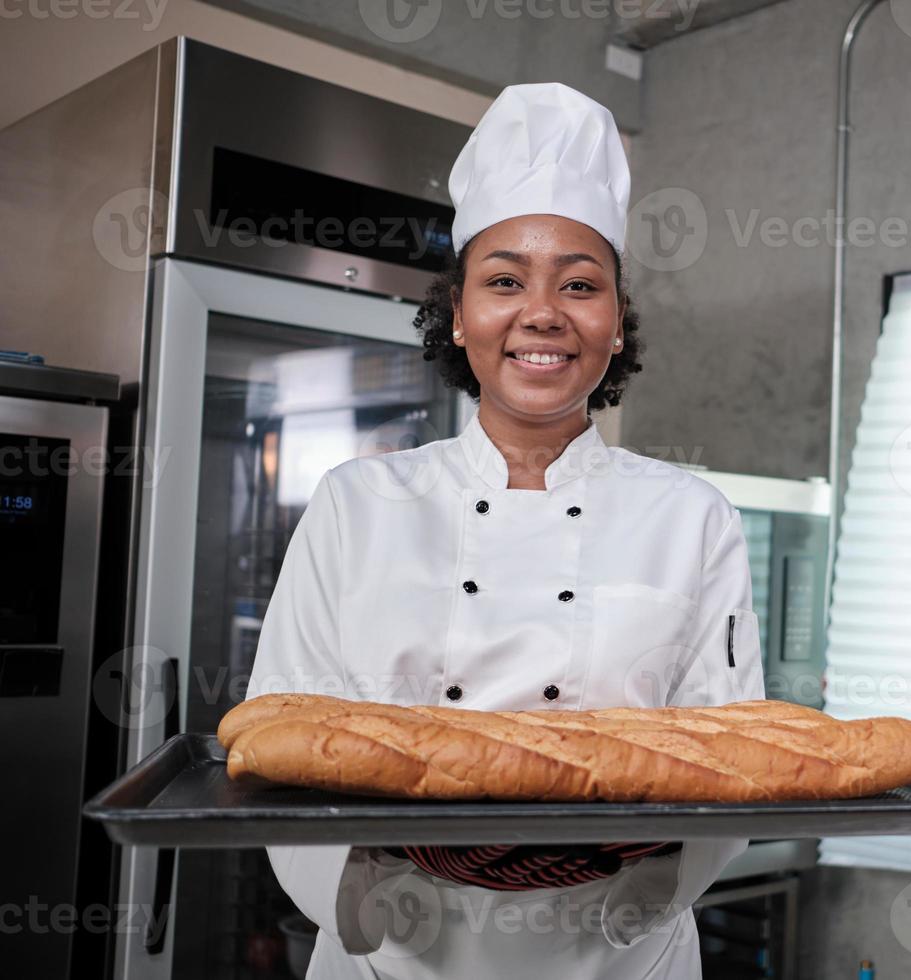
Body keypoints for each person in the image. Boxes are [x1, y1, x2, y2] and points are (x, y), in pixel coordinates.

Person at [243, 82, 766, 980]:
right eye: (503, 280)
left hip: (619, 951)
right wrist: (375, 897)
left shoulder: (691, 517)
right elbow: (282, 743)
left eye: (580, 283)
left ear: (613, 323)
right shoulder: (357, 503)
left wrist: (637, 897)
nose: (542, 312)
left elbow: (732, 762)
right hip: (395, 955)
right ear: (458, 312)